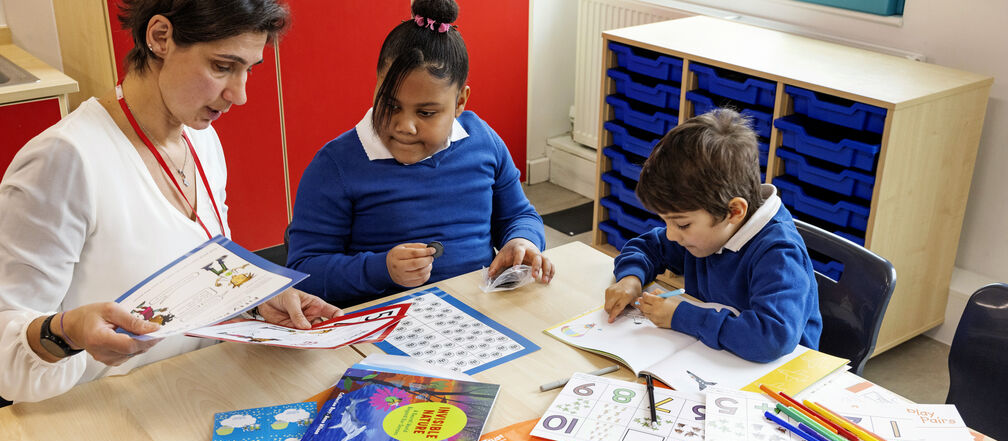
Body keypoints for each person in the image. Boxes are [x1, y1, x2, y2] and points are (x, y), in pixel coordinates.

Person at [0, 0, 340, 404]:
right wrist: (69, 330)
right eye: (222, 66)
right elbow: (7, 356)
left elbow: (199, 277)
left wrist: (254, 301)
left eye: (248, 69)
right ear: (160, 37)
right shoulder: (65, 159)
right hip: (99, 414)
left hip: (191, 391)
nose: (240, 94)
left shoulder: (200, 139)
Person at [286, 0, 554, 306]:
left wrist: (522, 241)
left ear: (460, 102)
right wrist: (381, 269)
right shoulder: (335, 166)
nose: (405, 126)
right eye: (390, 105)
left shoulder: (483, 141)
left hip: (478, 314)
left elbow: (518, 215)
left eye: (426, 113)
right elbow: (302, 273)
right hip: (381, 326)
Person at [604, 109, 822, 363]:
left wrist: (682, 317)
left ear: (734, 211)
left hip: (782, 379)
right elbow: (647, 248)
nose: (672, 235)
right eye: (667, 222)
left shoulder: (779, 254)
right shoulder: (708, 230)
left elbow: (770, 338)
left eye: (682, 224)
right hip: (714, 359)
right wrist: (630, 278)